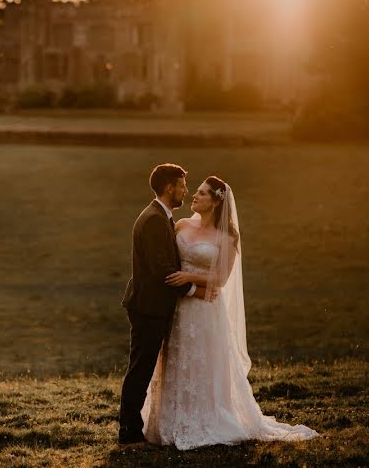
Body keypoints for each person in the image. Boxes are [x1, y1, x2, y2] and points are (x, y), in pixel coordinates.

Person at [142, 175, 318, 449]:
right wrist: (186, 282)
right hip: (179, 308)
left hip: (206, 309)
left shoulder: (227, 238)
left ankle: (207, 418)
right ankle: (171, 420)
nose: (194, 196)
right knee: (178, 359)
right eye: (195, 191)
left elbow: (221, 279)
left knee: (202, 362)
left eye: (201, 193)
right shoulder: (180, 225)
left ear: (215, 202)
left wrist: (189, 276)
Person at [118, 163, 203, 444]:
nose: (185, 191)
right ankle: (129, 431)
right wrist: (194, 288)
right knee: (140, 369)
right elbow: (162, 269)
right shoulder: (154, 219)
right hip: (148, 307)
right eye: (182, 185)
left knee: (141, 366)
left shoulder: (160, 215)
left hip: (150, 306)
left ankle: (132, 426)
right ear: (169, 187)